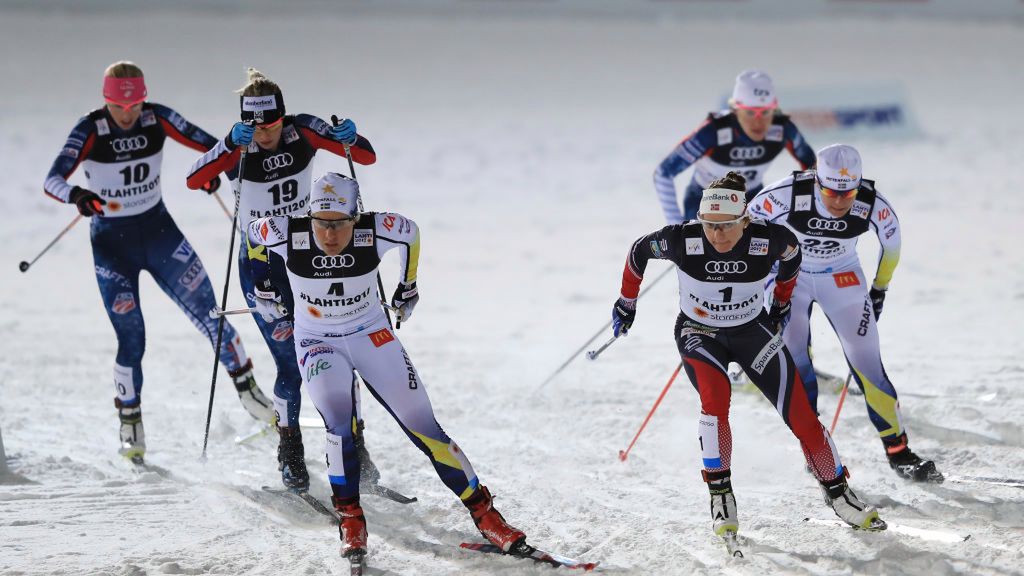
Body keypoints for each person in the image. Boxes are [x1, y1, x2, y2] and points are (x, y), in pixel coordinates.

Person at [245, 172, 527, 559]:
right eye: (321, 224)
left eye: (340, 224)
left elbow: (411, 232)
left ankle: (487, 517)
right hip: (317, 341)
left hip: (372, 336)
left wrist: (407, 286)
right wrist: (262, 285)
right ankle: (352, 520)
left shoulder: (376, 229)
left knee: (424, 426)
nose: (329, 235)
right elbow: (252, 233)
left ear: (355, 217)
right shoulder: (286, 232)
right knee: (338, 420)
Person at [610, 171, 886, 541]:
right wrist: (626, 303)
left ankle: (838, 493)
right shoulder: (681, 239)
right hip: (699, 333)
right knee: (715, 401)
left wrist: (782, 301)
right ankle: (721, 495)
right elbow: (638, 252)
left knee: (802, 415)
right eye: (709, 225)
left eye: (726, 226)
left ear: (745, 220)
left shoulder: (769, 238)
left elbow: (793, 257)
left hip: (752, 333)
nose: (717, 235)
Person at [42, 61, 273, 463]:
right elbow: (52, 180)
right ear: (106, 101)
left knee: (212, 314)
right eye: (118, 106)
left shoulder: (157, 116)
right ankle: (131, 424)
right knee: (132, 339)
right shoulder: (90, 129)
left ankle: (254, 399)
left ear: (144, 98)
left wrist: (211, 170)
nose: (128, 115)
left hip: (161, 236)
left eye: (133, 105)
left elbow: (211, 144)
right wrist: (78, 196)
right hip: (113, 249)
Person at [186, 68, 378, 492]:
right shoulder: (238, 145)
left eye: (271, 124)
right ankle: (290, 452)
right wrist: (226, 146)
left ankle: (355, 445)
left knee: (340, 355)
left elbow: (364, 157)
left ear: (282, 117)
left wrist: (350, 136)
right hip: (261, 267)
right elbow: (195, 179)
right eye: (256, 126)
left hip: (310, 260)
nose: (265, 134)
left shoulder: (303, 132)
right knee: (290, 364)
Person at [747, 144, 942, 482]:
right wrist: (754, 278)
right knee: (796, 361)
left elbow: (892, 246)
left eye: (847, 193)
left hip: (842, 278)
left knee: (867, 362)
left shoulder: (872, 203)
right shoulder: (786, 194)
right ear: (816, 180)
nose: (839, 202)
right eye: (830, 192)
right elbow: (747, 228)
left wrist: (880, 289)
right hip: (789, 277)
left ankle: (899, 452)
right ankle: (814, 447)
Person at [653, 70, 816, 224]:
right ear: (735, 110)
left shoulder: (783, 129)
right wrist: (674, 225)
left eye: (765, 112)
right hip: (705, 200)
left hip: (751, 199)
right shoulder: (712, 132)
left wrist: (802, 209)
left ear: (774, 111)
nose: (758, 122)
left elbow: (813, 170)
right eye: (751, 113)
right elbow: (663, 173)